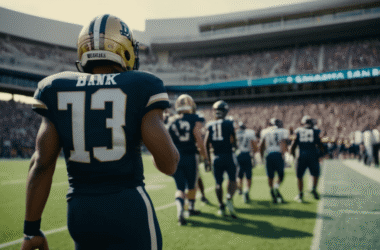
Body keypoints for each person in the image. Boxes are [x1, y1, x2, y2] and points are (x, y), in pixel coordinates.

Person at [21, 14, 179, 250]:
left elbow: (42, 164)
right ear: (124, 48)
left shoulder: (55, 87)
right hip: (128, 207)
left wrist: (30, 230)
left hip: (80, 211)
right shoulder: (142, 84)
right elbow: (169, 163)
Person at [167, 94, 210, 225]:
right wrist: (206, 158)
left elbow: (167, 142)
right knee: (191, 185)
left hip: (175, 157)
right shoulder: (195, 119)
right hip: (190, 156)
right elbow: (199, 139)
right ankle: (190, 208)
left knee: (179, 188)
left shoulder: (171, 121)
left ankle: (180, 209)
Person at [204, 100, 238, 218]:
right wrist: (233, 147)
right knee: (233, 180)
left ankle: (221, 206)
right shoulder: (229, 123)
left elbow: (206, 144)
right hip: (228, 155)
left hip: (216, 157)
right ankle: (229, 197)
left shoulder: (210, 125)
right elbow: (234, 140)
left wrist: (207, 160)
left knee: (218, 183)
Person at [290, 115, 324, 203]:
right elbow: (320, 144)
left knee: (299, 176)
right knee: (315, 174)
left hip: (301, 156)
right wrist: (321, 155)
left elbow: (293, 145)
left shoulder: (298, 131)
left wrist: (293, 155)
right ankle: (314, 189)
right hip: (313, 155)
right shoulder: (315, 131)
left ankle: (300, 194)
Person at [259, 118, 289, 204]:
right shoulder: (282, 131)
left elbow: (261, 145)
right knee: (281, 175)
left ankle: (272, 190)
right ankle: (276, 187)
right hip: (278, 154)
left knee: (270, 176)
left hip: (268, 155)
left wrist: (261, 157)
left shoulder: (265, 131)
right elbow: (282, 143)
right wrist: (285, 155)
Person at [236, 122, 258, 203]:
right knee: (248, 175)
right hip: (247, 155)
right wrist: (254, 154)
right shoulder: (250, 133)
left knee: (239, 175)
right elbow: (255, 147)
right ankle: (246, 191)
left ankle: (240, 190)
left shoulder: (236, 133)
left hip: (238, 155)